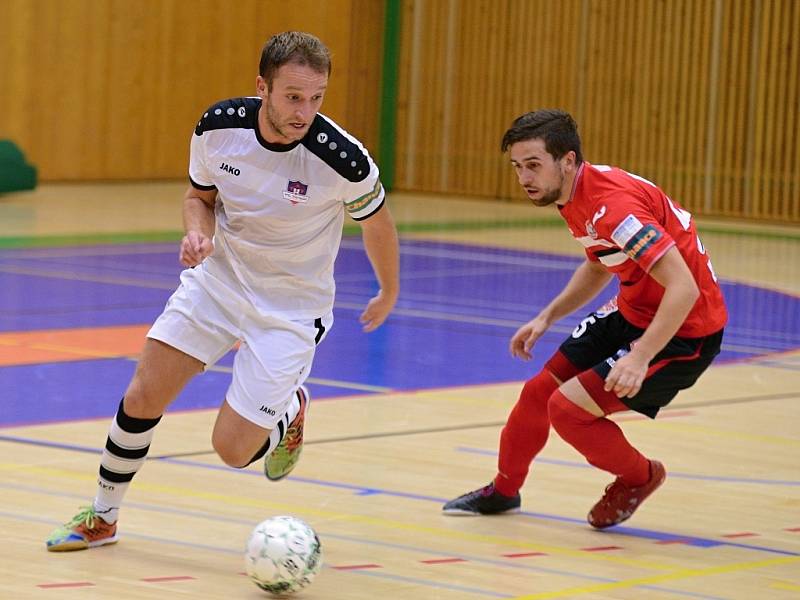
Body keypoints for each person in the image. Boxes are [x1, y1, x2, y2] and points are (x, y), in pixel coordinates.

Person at [46, 31, 399, 551]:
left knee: (232, 450)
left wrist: (388, 290)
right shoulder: (217, 129)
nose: (305, 111)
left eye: (317, 97)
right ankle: (103, 517)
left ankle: (288, 412)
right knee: (143, 393)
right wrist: (198, 232)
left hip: (291, 310)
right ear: (263, 87)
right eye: (293, 97)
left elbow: (378, 224)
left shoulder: (342, 159)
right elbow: (199, 196)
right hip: (220, 281)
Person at [443, 109, 726, 528]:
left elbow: (683, 288)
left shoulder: (613, 208)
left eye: (534, 165)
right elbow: (599, 265)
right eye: (518, 167)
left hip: (685, 330)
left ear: (568, 160)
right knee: (539, 393)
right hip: (634, 309)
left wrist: (640, 356)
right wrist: (547, 316)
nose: (524, 178)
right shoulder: (576, 194)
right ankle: (503, 491)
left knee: (568, 410)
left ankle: (640, 477)